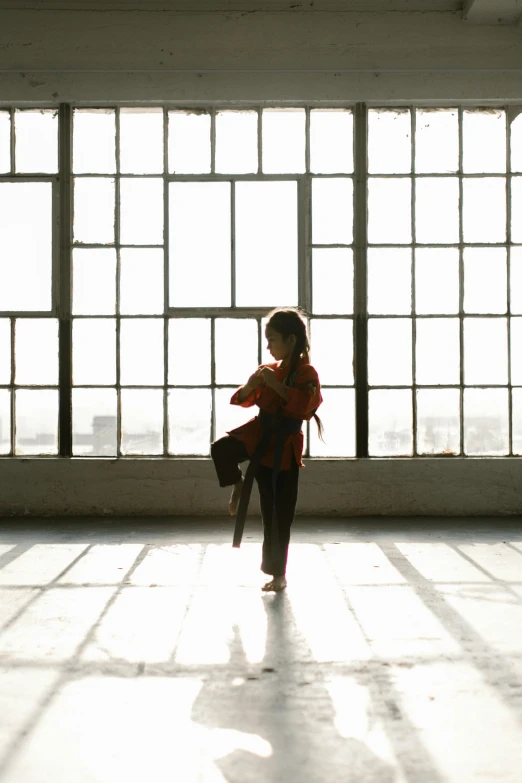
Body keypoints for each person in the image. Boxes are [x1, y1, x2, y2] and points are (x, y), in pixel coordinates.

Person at [210, 307, 323, 592]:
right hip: (259, 433)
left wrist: (276, 385)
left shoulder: (306, 373)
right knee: (222, 449)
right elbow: (245, 399)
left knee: (277, 513)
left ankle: (278, 575)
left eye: (272, 339)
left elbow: (307, 406)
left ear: (291, 340)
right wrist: (252, 384)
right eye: (267, 340)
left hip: (283, 447)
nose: (269, 346)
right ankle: (237, 484)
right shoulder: (268, 371)